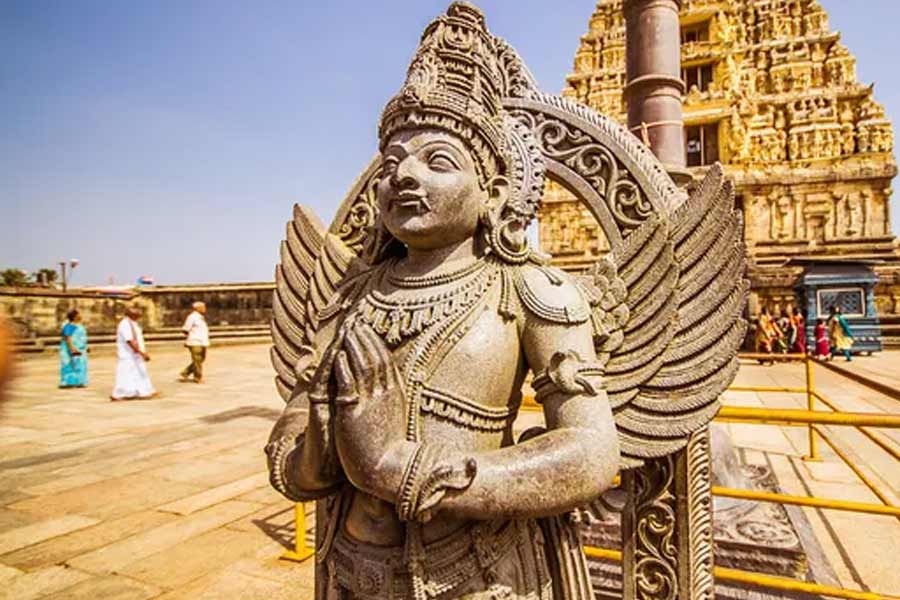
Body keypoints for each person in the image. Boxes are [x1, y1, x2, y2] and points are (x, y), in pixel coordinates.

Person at [110, 305, 157, 400]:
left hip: (134, 354)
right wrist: (141, 352)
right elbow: (129, 340)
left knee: (139, 372)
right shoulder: (125, 324)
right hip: (128, 354)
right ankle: (118, 394)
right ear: (131, 314)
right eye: (137, 312)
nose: (139, 314)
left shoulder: (133, 324)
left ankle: (142, 391)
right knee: (125, 373)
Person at [179, 301, 209, 383]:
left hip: (202, 341)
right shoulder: (192, 317)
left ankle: (185, 372)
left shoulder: (200, 317)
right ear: (197, 308)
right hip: (195, 341)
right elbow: (185, 329)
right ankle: (198, 377)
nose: (205, 309)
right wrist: (189, 338)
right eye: (203, 307)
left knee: (201, 359)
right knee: (197, 359)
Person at [59, 309, 88, 387]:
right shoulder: (69, 326)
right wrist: (72, 348)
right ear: (75, 316)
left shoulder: (79, 326)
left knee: (80, 365)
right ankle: (67, 382)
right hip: (71, 349)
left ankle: (79, 381)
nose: (81, 315)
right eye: (79, 314)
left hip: (81, 348)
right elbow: (68, 338)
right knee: (69, 365)